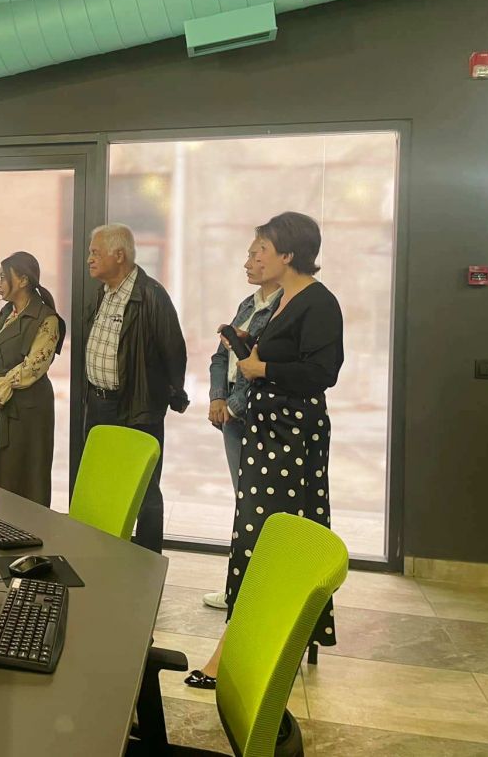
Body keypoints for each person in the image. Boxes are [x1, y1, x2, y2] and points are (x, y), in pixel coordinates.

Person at [186, 211, 343, 689]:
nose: (253, 257)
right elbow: (270, 356)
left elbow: (323, 372)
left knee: (268, 540)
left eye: (262, 250)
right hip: (267, 432)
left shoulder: (318, 302)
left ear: (288, 254)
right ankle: (257, 642)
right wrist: (246, 348)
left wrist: (263, 370)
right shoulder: (281, 301)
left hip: (290, 436)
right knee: (259, 537)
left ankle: (235, 652)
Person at [81, 223, 187, 554]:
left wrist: (169, 395)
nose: (89, 259)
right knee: (102, 483)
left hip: (137, 406)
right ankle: (104, 553)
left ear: (119, 255)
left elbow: (174, 351)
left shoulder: (151, 295)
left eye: (95, 253)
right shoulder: (102, 293)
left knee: (144, 487)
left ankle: (148, 560)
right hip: (99, 404)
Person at [202, 236, 282, 610]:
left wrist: (232, 407)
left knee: (261, 506)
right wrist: (217, 398)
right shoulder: (248, 304)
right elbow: (222, 356)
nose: (247, 263)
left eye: (254, 255)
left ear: (283, 257)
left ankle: (257, 596)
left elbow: (261, 368)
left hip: (256, 414)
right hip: (233, 413)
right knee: (245, 503)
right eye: (247, 255)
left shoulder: (285, 308)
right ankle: (242, 590)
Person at [0, 251, 65, 507]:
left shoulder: (47, 319)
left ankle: (27, 530)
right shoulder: (7, 311)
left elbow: (34, 366)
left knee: (25, 479)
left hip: (27, 411)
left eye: (3, 277)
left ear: (23, 280)